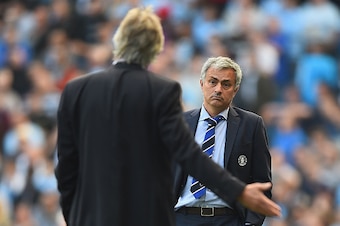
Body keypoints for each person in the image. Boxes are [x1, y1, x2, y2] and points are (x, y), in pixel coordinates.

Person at [55, 6, 281, 226]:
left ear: (118, 42)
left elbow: (66, 167)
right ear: (155, 48)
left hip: (91, 216)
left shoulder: (75, 90)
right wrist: (239, 191)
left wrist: (72, 216)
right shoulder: (162, 90)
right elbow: (188, 153)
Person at [173, 56, 272, 226]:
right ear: (201, 84)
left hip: (229, 219)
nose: (218, 89)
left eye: (226, 84)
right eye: (213, 82)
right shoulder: (180, 123)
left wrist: (251, 223)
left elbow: (262, 181)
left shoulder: (251, 124)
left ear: (235, 90)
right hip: (183, 217)